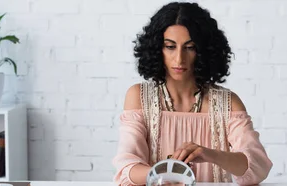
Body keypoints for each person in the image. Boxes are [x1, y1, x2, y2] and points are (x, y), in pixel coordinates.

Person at [112, 2, 273, 186]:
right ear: (157, 49)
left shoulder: (228, 103)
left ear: (203, 50)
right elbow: (126, 170)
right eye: (170, 46)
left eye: (190, 47)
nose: (179, 59)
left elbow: (258, 167)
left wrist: (208, 154)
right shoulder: (139, 97)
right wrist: (167, 174)